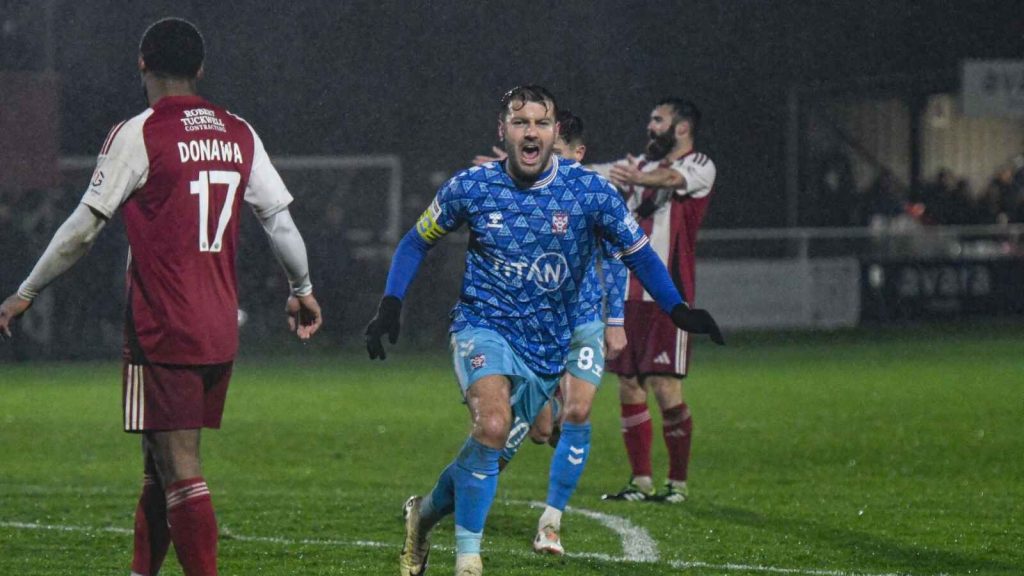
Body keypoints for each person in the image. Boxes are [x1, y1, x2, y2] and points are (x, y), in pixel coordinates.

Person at [0, 18, 323, 576]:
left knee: (180, 469)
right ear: (200, 69)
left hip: (163, 328)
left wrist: (26, 290)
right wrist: (303, 289)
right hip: (219, 326)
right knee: (157, 464)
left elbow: (83, 227)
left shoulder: (140, 132)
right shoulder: (238, 131)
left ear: (142, 64)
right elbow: (280, 221)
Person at [365, 85, 722, 576]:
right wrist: (390, 303)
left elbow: (637, 252)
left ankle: (422, 517)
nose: (530, 131)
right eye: (520, 121)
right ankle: (468, 560)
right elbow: (414, 241)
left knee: (495, 448)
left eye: (541, 122)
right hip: (482, 326)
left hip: (548, 346)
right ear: (503, 131)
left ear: (555, 133)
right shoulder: (472, 186)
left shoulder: (588, 192)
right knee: (491, 426)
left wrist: (677, 308)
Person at [472, 109, 628, 555]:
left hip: (581, 321)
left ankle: (551, 523)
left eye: (554, 151)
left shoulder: (594, 193)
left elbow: (617, 257)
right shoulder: (521, 192)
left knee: (578, 414)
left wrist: (614, 320)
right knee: (535, 429)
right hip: (531, 325)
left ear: (577, 153)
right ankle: (451, 496)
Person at [588, 97, 717, 504]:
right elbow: (589, 172)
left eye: (658, 120)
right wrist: (528, 164)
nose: (650, 126)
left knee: (664, 385)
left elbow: (672, 181)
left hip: (667, 295)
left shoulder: (699, 165)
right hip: (625, 293)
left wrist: (638, 178)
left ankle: (677, 484)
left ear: (681, 128)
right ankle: (640, 481)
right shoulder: (639, 167)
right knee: (629, 384)